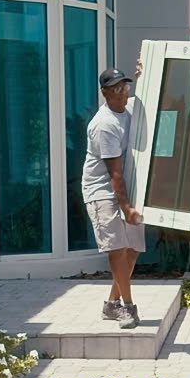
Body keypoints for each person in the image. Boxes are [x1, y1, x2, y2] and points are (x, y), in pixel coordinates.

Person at [81, 64, 145, 328]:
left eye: (125, 86)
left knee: (133, 248)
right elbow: (114, 173)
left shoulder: (128, 110)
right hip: (102, 190)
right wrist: (127, 208)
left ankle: (111, 304)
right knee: (117, 249)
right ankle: (127, 308)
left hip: (122, 186)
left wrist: (144, 73)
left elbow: (150, 94)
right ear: (105, 93)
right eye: (116, 88)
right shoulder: (104, 125)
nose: (122, 92)